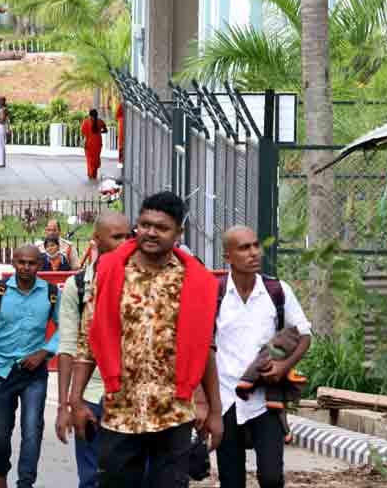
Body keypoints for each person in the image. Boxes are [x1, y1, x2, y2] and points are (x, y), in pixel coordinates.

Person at [68, 191, 225, 487]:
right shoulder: (110, 272)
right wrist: (75, 401)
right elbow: (89, 341)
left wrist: (213, 409)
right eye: (145, 224)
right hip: (119, 412)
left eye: (162, 227)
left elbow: (203, 349)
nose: (151, 232)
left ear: (178, 233)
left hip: (174, 414)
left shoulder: (196, 282)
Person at [214, 226, 312, 488]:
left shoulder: (277, 290)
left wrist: (283, 366)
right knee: (230, 479)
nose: (254, 253)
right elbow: (204, 345)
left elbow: (304, 335)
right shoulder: (217, 294)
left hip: (265, 400)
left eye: (256, 245)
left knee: (271, 477)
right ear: (228, 256)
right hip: (226, 399)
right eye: (244, 248)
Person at [56, 213, 133, 488]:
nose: (125, 243)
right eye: (117, 237)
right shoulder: (77, 287)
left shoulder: (143, 283)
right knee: (91, 480)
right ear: (97, 241)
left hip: (135, 400)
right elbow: (68, 348)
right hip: (90, 398)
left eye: (128, 236)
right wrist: (65, 405)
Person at [0, 244, 59, 488]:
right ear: (13, 262)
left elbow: (67, 327)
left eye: (32, 263)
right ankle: (1, 473)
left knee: (32, 430)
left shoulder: (51, 293)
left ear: (39, 266)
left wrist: (44, 352)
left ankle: (25, 483)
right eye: (21, 262)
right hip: (0, 372)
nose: (26, 268)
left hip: (34, 375)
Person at [80, 109, 107, 182]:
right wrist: (99, 131)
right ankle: (94, 174)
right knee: (96, 159)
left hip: (89, 144)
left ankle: (90, 174)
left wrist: (83, 141)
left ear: (90, 115)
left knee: (89, 160)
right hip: (98, 143)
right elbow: (105, 130)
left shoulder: (86, 122)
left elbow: (82, 133)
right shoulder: (100, 121)